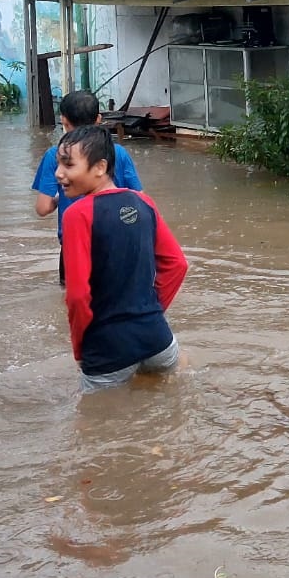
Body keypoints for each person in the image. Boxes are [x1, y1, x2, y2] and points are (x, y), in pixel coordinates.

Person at [57, 124, 187, 392]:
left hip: (108, 349)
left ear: (100, 167)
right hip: (159, 341)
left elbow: (78, 295)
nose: (59, 173)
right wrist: (150, 313)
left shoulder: (77, 214)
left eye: (68, 165)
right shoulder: (144, 201)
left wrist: (80, 349)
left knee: (93, 427)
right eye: (59, 164)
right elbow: (177, 264)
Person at [31, 89, 142, 285]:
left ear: (64, 120)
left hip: (74, 244)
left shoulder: (55, 155)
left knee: (71, 298)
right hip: (117, 241)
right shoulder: (119, 153)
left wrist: (59, 197)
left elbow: (43, 208)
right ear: (99, 119)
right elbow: (139, 199)